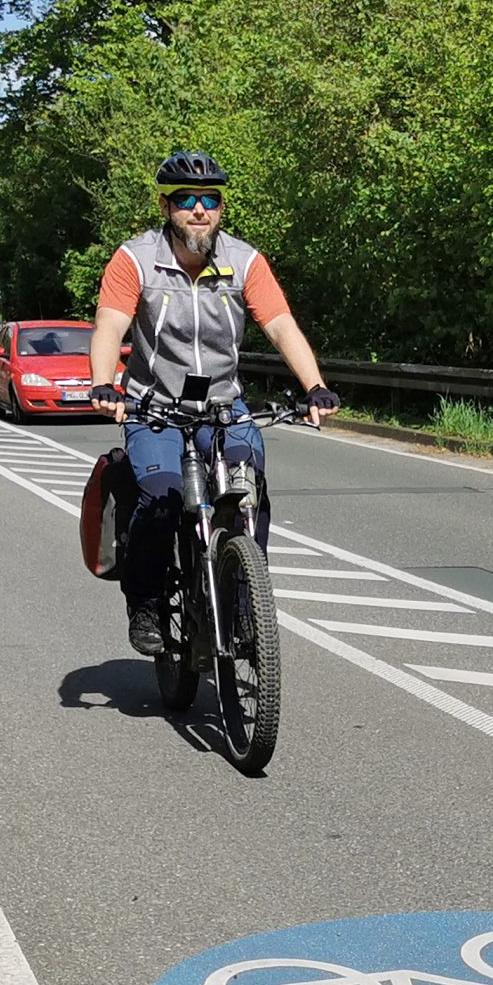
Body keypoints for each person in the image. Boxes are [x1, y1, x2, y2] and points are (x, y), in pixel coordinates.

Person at [89, 152, 339, 655]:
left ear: (221, 207)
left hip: (224, 405)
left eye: (210, 200)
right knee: (160, 498)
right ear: (166, 206)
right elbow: (110, 324)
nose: (200, 210)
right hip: (153, 408)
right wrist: (103, 384)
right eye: (186, 200)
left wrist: (314, 385)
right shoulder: (134, 259)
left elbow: (279, 324)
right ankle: (146, 602)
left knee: (249, 491)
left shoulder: (245, 261)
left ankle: (247, 601)